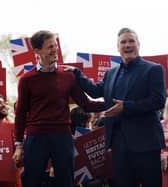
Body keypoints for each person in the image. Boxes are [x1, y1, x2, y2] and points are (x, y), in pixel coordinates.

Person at [64, 27, 166, 187]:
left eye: (131, 41)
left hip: (146, 143)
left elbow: (158, 100)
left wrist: (126, 107)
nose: (127, 45)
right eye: (123, 42)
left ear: (138, 44)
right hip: (118, 145)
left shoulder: (153, 69)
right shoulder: (111, 73)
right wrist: (77, 73)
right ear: (117, 47)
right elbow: (95, 90)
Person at [12, 30, 105, 187]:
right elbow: (20, 113)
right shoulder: (26, 80)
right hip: (36, 138)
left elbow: (86, 104)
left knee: (66, 181)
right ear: (37, 51)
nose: (55, 50)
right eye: (50, 47)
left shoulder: (68, 75)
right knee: (32, 181)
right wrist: (19, 144)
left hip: (62, 137)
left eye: (55, 46)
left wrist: (111, 103)